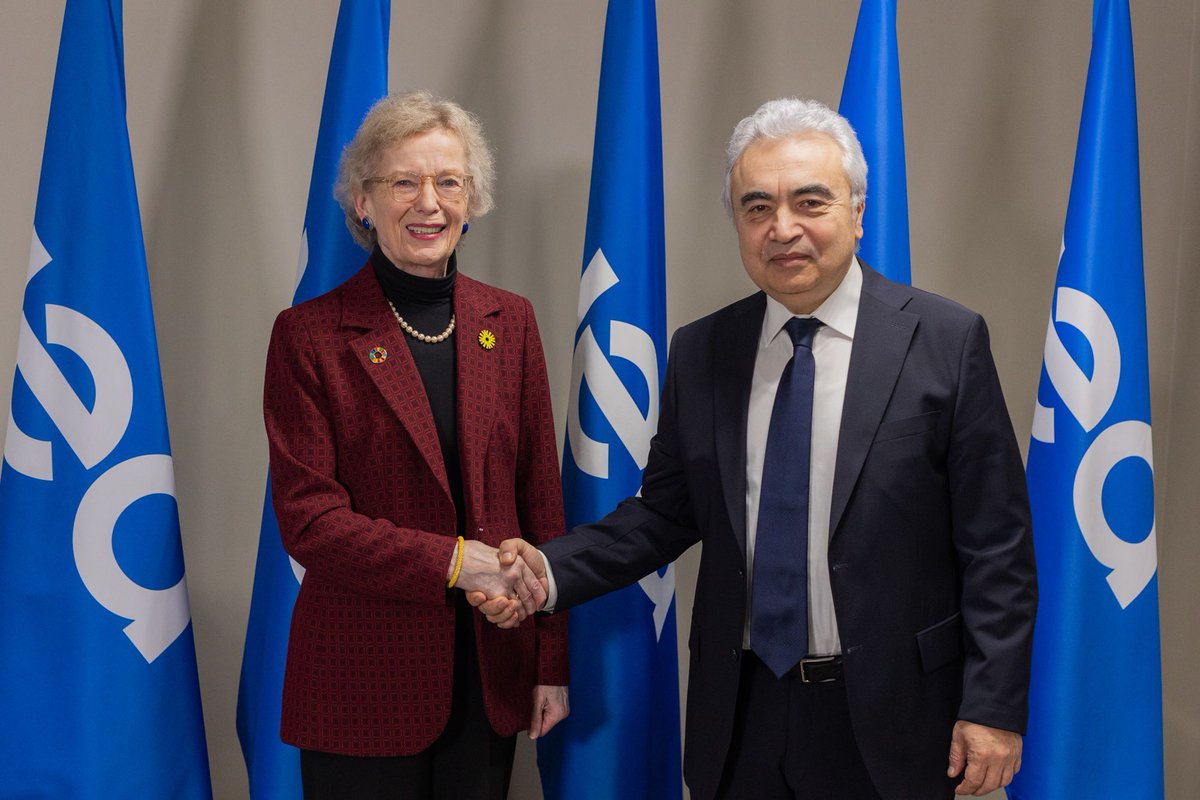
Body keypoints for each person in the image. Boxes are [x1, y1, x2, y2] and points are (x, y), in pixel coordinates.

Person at [473, 98, 1036, 799]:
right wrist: (547, 571)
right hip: (740, 717)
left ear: (858, 213)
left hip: (894, 718)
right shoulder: (704, 348)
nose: (784, 228)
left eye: (810, 201)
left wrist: (992, 708)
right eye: (758, 206)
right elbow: (664, 514)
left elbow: (998, 548)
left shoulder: (945, 342)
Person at [263, 90, 568, 800]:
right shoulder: (309, 336)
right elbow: (310, 522)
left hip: (491, 674)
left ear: (472, 199)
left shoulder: (511, 321)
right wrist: (461, 564)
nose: (429, 202)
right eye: (404, 181)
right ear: (364, 202)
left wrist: (550, 659)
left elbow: (541, 501)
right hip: (359, 686)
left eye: (448, 181)